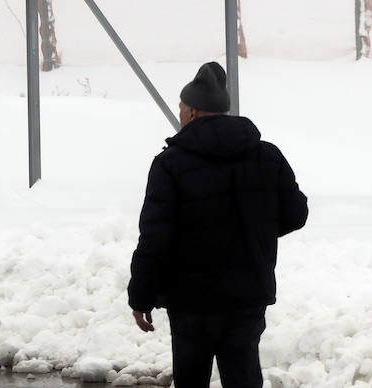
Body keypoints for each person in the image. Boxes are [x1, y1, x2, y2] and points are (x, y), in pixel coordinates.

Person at [128, 61, 308, 388]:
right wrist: (254, 231)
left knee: (191, 378)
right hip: (248, 295)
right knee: (244, 378)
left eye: (181, 106)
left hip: (191, 301)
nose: (180, 112)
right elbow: (296, 213)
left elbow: (155, 237)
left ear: (193, 112)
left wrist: (140, 295)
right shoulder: (268, 156)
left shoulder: (170, 164)